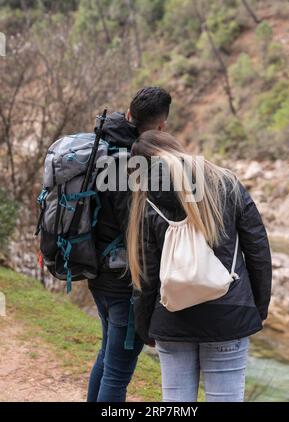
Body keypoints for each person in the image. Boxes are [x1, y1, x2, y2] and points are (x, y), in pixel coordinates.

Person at [127, 130, 272, 403]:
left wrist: (145, 326)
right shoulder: (226, 182)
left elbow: (145, 274)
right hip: (230, 315)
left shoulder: (145, 199)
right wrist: (258, 308)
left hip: (171, 317)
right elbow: (258, 251)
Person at [87, 87, 172, 402]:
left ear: (128, 112)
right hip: (122, 280)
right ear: (160, 127)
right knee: (118, 372)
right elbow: (137, 233)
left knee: (107, 357)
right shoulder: (132, 162)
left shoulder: (103, 139)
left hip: (96, 268)